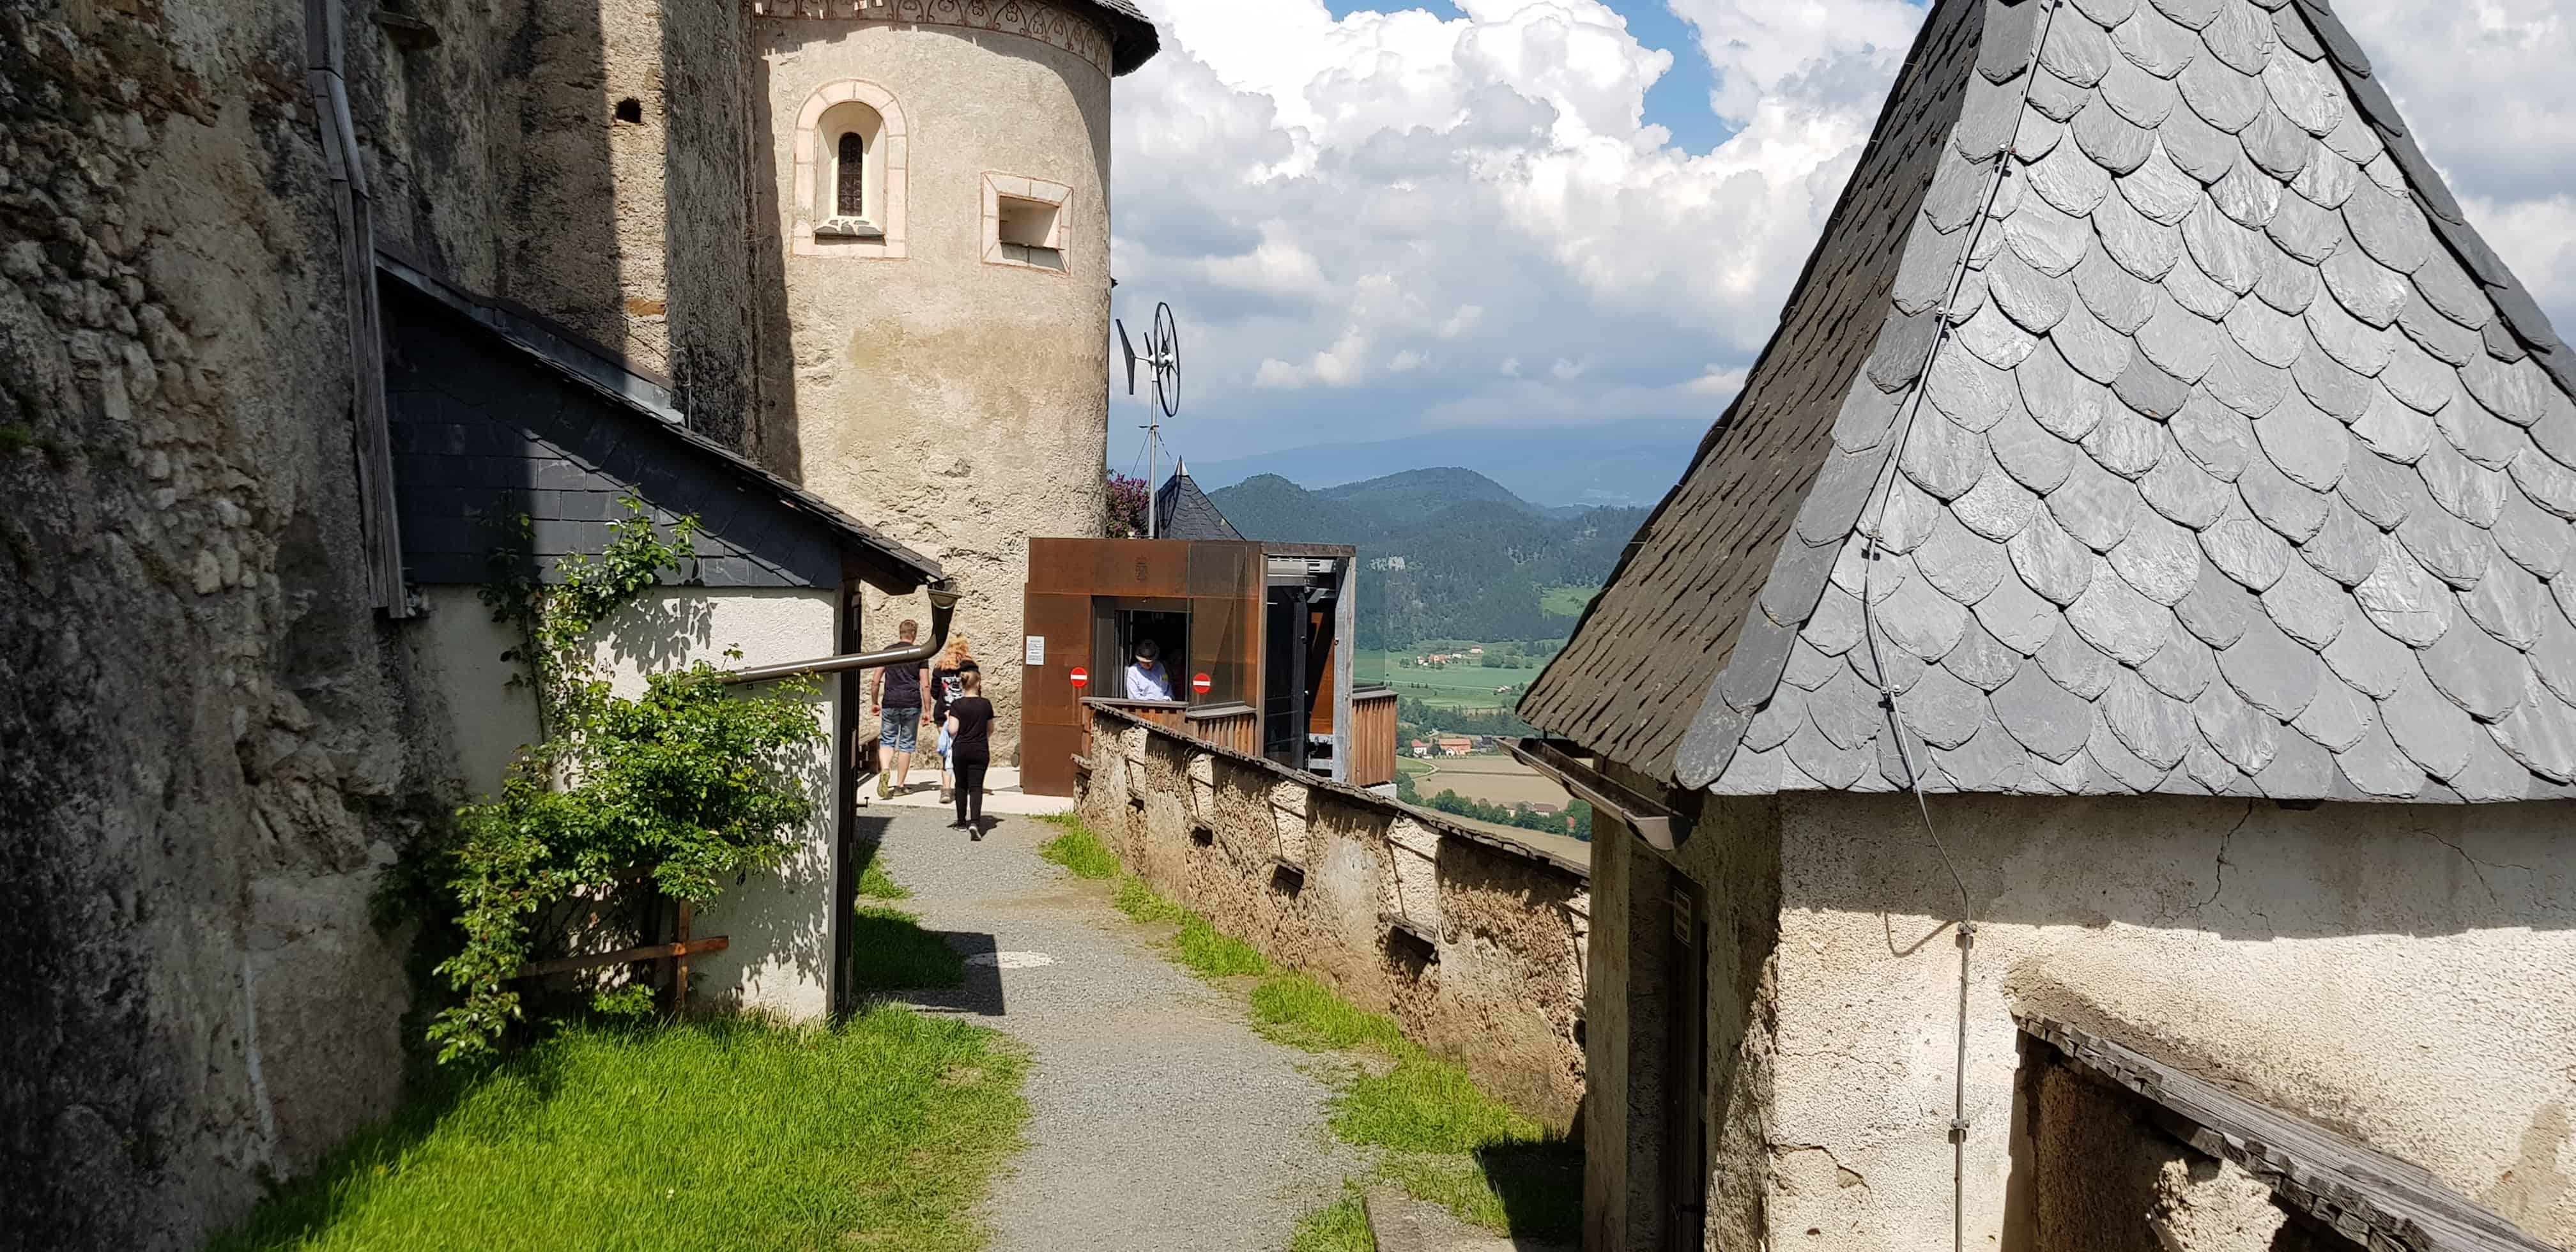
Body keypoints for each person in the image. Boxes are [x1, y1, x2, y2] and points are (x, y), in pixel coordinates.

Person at [870, 619, 930, 799]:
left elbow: (875, 680)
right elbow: (925, 685)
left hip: (890, 702)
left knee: (887, 740)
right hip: (911, 702)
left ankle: (886, 769)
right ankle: (900, 785)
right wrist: (928, 710)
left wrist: (875, 702)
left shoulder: (888, 652)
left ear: (900, 632)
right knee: (906, 743)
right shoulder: (920, 653)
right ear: (915, 634)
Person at [944, 670, 997, 838]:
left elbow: (953, 730)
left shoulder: (957, 705)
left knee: (961, 785)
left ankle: (961, 822)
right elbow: (991, 729)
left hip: (961, 749)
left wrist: (948, 719)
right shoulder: (986, 704)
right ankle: (975, 822)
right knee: (976, 787)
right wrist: (981, 737)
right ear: (978, 684)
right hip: (980, 749)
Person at [928, 635, 981, 804]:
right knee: (963, 749)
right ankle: (962, 785)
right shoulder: (971, 666)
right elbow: (977, 689)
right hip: (966, 712)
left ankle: (945, 789)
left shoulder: (940, 667)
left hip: (943, 714)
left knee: (947, 750)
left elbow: (935, 693)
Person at [1124, 637, 1172, 701]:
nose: (1147, 665)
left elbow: (1167, 684)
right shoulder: (1133, 671)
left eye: (1150, 662)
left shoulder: (1161, 667)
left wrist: (1168, 698)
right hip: (1142, 707)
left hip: (1163, 705)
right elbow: (1133, 697)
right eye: (1144, 662)